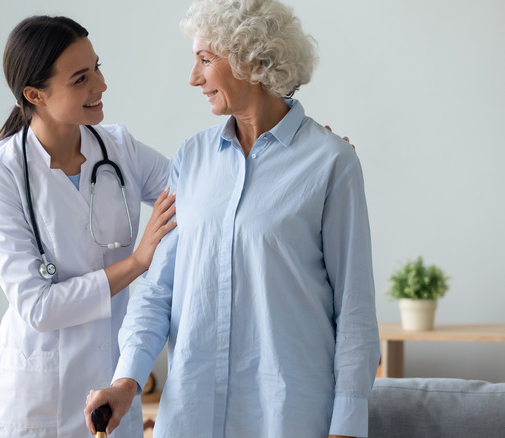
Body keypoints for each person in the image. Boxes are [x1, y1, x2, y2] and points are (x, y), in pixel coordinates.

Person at [84, 0, 380, 437]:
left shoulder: (331, 163)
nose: (193, 77)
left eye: (205, 59)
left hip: (288, 415)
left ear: (252, 59)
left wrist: (347, 426)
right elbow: (157, 290)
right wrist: (126, 382)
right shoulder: (191, 157)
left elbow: (354, 310)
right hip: (192, 412)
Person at [0, 15, 177, 438]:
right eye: (81, 78)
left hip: (111, 387)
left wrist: (301, 153)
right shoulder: (0, 175)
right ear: (35, 95)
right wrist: (138, 262)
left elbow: (201, 192)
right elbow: (39, 307)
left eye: (97, 68)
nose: (100, 86)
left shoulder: (119, 148)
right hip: (38, 401)